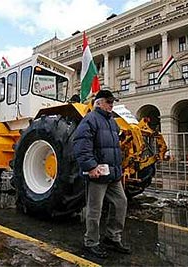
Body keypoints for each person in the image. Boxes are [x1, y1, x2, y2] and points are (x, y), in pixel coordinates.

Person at [73, 90, 131, 259]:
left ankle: (112, 237)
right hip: (97, 174)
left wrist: (118, 170)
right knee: (94, 210)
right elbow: (81, 144)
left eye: (113, 102)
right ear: (98, 103)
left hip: (112, 174)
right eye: (108, 101)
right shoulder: (90, 120)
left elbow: (114, 148)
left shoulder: (112, 122)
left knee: (121, 202)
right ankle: (91, 242)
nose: (111, 104)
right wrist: (91, 167)